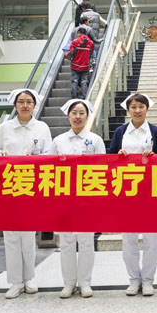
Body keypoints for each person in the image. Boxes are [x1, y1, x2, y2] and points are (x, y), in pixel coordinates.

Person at [0, 89, 52, 299]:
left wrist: (36, 158)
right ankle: (15, 281)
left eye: (29, 102)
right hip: (9, 187)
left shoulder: (42, 127)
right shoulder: (5, 127)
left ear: (34, 105)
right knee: (11, 237)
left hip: (31, 187)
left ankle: (29, 278)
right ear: (15, 105)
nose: (25, 105)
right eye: (21, 102)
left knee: (28, 236)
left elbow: (49, 155)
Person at [109, 93, 157, 296]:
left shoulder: (156, 131)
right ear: (128, 110)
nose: (137, 110)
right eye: (133, 107)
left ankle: (148, 280)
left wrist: (154, 157)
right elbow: (109, 159)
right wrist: (118, 156)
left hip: (150, 192)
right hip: (126, 192)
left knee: (151, 240)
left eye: (141, 106)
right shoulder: (120, 131)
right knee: (129, 239)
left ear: (147, 109)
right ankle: (134, 279)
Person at [47, 99, 105, 299]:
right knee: (66, 242)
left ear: (87, 116)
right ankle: (69, 283)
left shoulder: (95, 140)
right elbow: (49, 167)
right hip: (65, 199)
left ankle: (85, 282)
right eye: (74, 113)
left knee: (86, 242)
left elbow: (103, 168)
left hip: (87, 199)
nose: (78, 117)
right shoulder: (58, 141)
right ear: (68, 115)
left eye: (82, 113)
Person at [66, 27, 94, 99]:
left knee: (74, 81)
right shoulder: (91, 43)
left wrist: (67, 55)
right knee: (84, 81)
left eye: (77, 33)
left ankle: (74, 97)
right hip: (85, 65)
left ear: (79, 33)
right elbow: (91, 53)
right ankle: (83, 97)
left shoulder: (75, 42)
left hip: (75, 65)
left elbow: (71, 53)